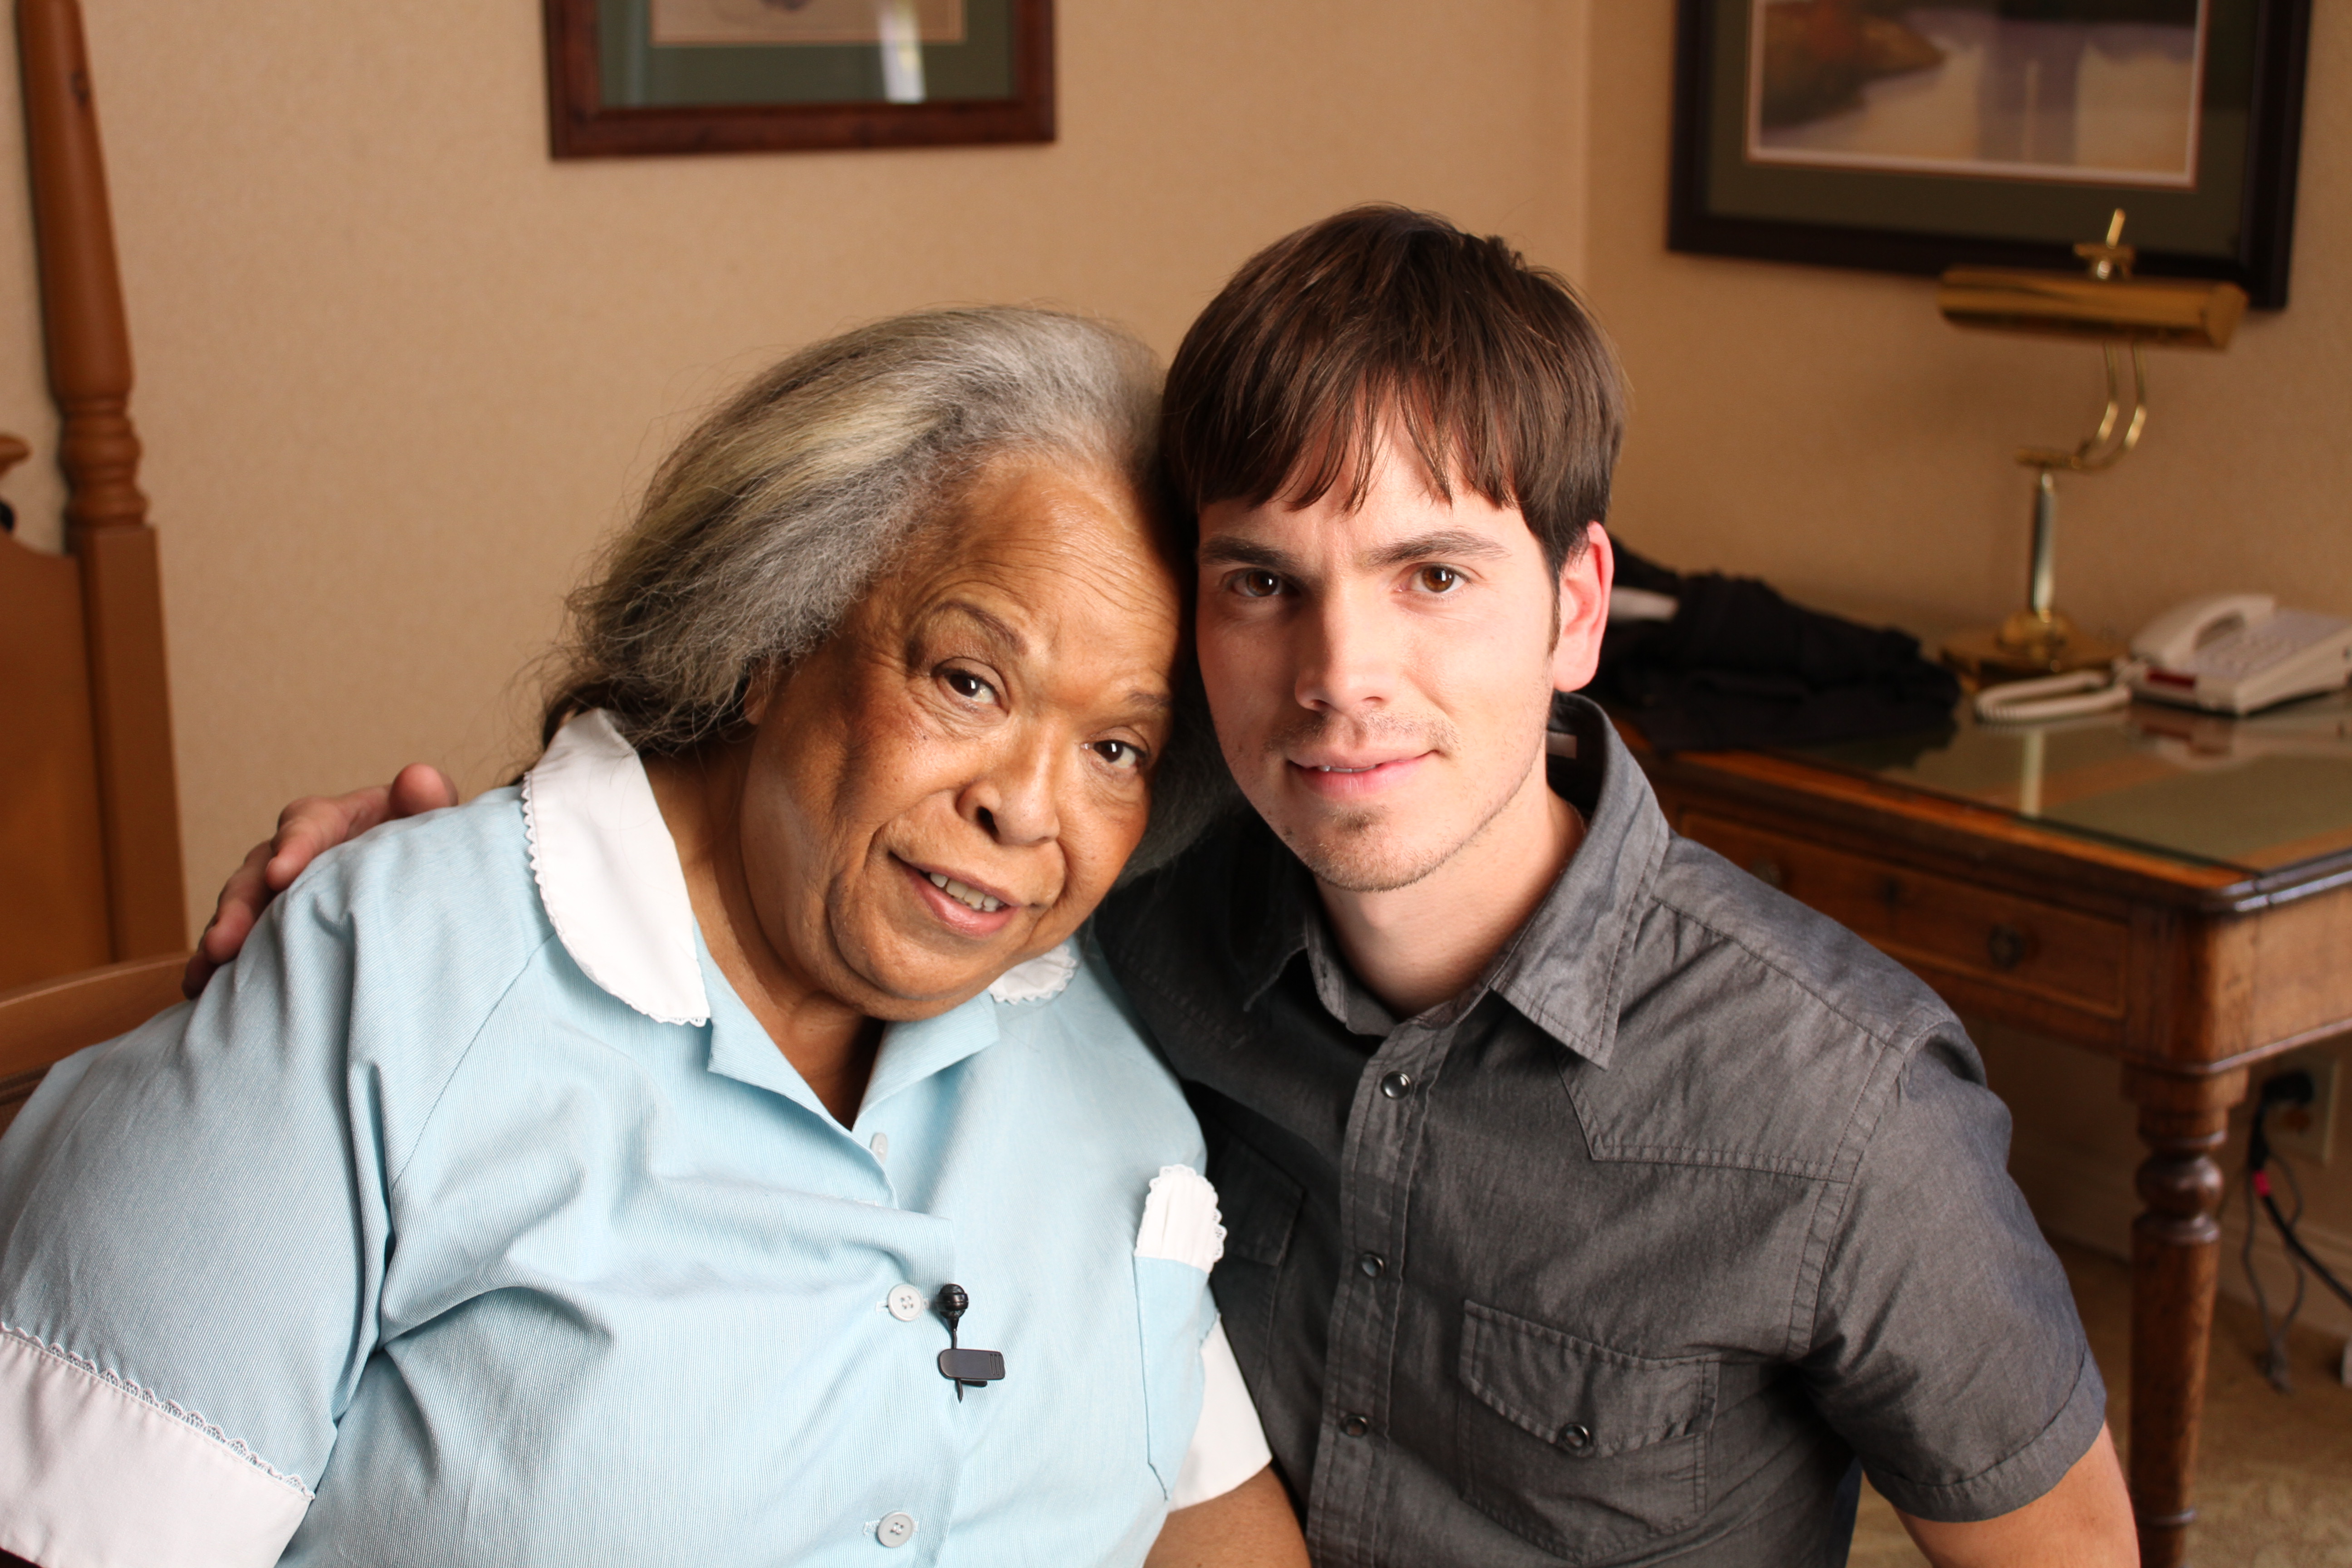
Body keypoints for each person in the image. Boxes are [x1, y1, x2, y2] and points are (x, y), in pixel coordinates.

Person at [188, 208, 2140, 1565]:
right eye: (1263, 581)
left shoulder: (1842, 1109)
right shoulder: (1109, 933)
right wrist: (448, 881)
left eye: (1433, 576)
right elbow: (801, 834)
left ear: (1579, 608)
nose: (1339, 676)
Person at [0, 308, 1310, 1568]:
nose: (1027, 809)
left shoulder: (1104, 1008)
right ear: (767, 635)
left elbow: (1206, 1517)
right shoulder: (387, 984)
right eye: (969, 680)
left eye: (1115, 748)